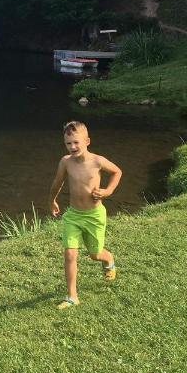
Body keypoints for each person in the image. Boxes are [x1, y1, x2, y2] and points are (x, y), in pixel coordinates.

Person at [49, 120, 122, 309]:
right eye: (68, 143)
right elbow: (57, 183)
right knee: (70, 253)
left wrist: (107, 191)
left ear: (87, 141)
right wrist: (52, 200)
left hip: (94, 216)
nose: (72, 147)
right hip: (73, 215)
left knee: (95, 254)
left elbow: (117, 172)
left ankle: (109, 260)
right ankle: (72, 296)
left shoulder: (97, 161)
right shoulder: (66, 162)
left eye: (76, 142)